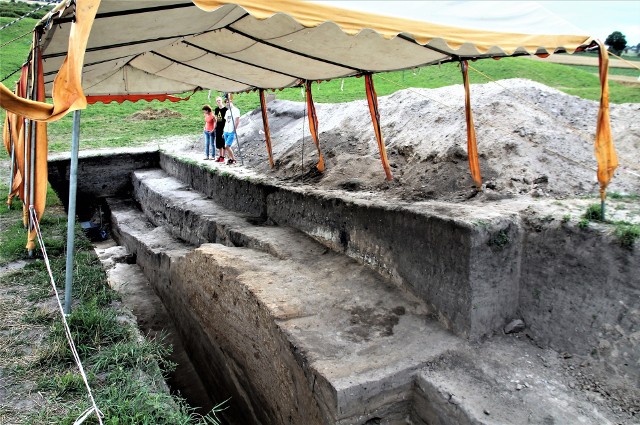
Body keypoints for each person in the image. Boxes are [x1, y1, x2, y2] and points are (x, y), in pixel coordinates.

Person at [223, 96, 240, 165]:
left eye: (228, 102)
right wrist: (223, 131)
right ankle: (230, 159)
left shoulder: (236, 110)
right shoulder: (227, 111)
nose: (227, 103)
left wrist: (234, 129)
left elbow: (237, 120)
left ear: (231, 102)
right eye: (226, 102)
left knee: (226, 146)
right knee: (227, 147)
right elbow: (226, 121)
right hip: (226, 130)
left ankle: (233, 159)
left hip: (231, 131)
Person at [213, 96, 227, 162]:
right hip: (218, 127)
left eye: (219, 100)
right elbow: (216, 119)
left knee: (223, 142)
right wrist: (214, 127)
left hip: (224, 127)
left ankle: (223, 157)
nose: (218, 102)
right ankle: (220, 156)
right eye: (217, 101)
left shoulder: (226, 109)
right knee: (218, 142)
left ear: (221, 101)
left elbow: (227, 120)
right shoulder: (216, 109)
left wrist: (225, 128)